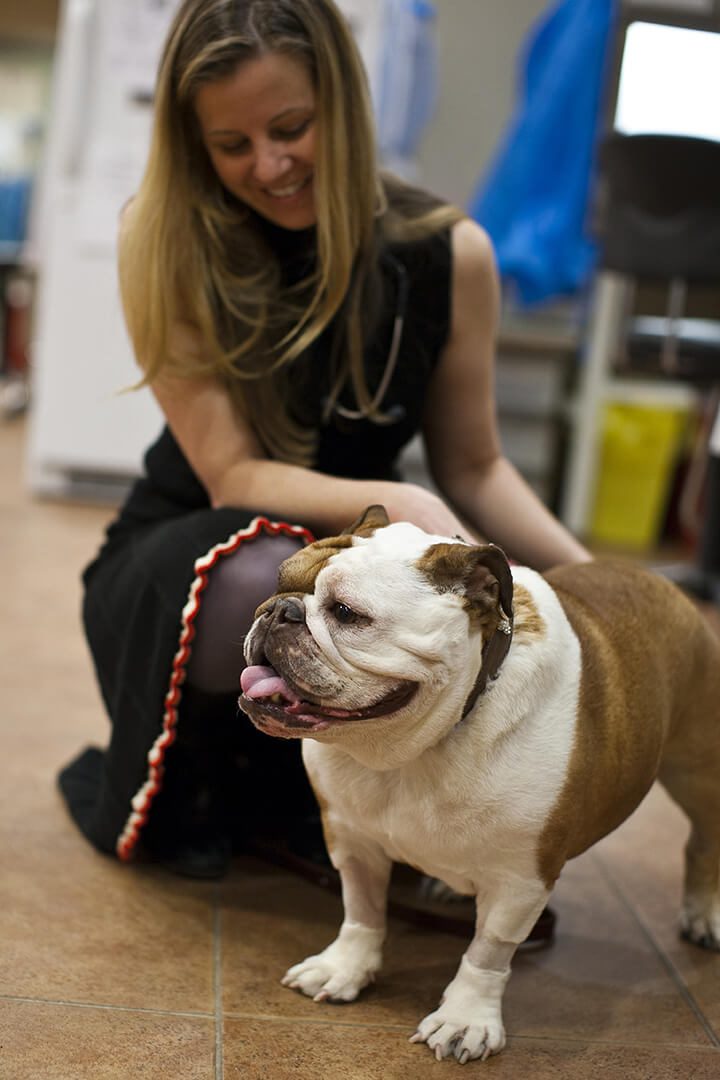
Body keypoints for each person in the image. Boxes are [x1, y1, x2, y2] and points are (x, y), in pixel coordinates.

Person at [58, 0, 591, 911]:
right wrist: (394, 499)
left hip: (352, 570)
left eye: (291, 127)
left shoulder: (449, 253)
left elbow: (475, 468)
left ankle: (320, 803)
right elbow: (233, 478)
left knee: (384, 612)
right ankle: (235, 788)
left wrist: (595, 585)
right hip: (184, 562)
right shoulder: (163, 231)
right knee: (267, 572)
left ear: (342, 103)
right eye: (231, 145)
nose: (268, 165)